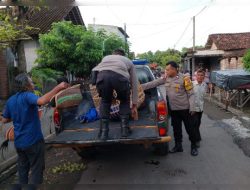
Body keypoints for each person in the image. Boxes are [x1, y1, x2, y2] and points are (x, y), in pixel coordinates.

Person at [2, 73, 70, 185]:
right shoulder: (27, 95)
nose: (33, 84)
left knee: (22, 171)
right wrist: (58, 87)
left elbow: (4, 120)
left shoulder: (11, 100)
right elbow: (42, 101)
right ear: (26, 85)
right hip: (33, 141)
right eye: (31, 82)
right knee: (36, 171)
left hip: (19, 143)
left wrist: (17, 116)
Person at [141, 61, 198, 156]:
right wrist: (139, 87)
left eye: (167, 69)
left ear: (174, 69)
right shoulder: (165, 78)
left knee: (190, 129)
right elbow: (153, 83)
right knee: (176, 129)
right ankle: (178, 146)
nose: (165, 71)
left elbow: (191, 94)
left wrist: (192, 108)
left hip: (185, 109)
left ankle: (194, 146)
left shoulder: (185, 79)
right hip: (173, 110)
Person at [92, 48, 138, 140]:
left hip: (102, 77)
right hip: (120, 77)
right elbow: (134, 83)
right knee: (124, 101)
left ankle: (104, 133)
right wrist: (134, 103)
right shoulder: (128, 61)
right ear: (123, 55)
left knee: (105, 101)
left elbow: (95, 72)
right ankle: (125, 130)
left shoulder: (106, 58)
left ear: (113, 54)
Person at [192, 69, 207, 147]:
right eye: (198, 75)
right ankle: (196, 140)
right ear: (195, 76)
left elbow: (202, 97)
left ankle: (196, 136)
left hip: (201, 109)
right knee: (195, 124)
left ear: (204, 77)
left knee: (198, 124)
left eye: (202, 75)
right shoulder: (191, 84)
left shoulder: (204, 85)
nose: (200, 77)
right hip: (193, 109)